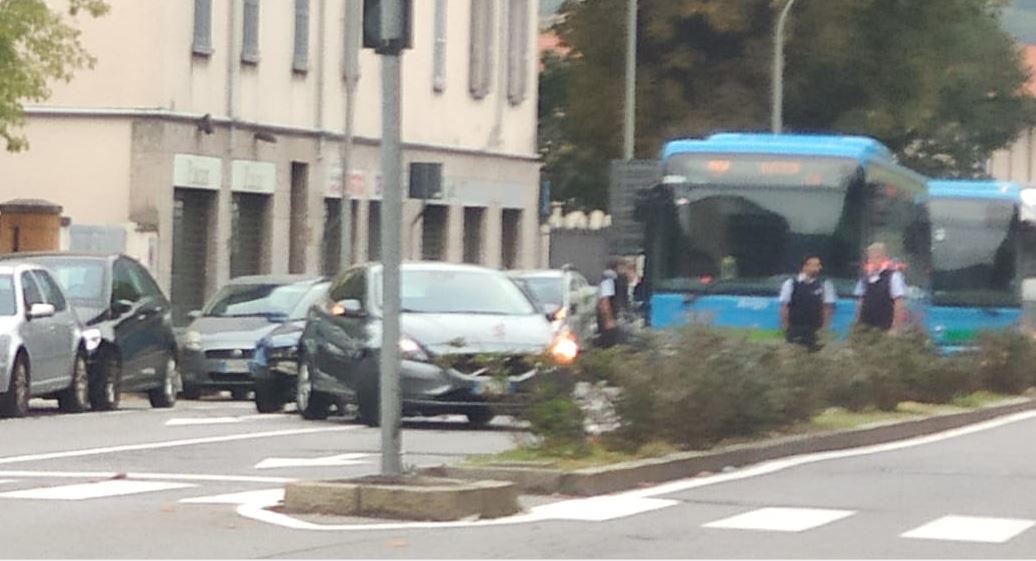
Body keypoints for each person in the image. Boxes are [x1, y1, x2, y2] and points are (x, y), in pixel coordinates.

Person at [779, 255, 836, 350]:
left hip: (815, 330)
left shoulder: (825, 284)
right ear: (805, 267)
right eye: (816, 265)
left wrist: (824, 330)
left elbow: (827, 309)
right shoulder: (790, 284)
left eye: (819, 265)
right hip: (795, 329)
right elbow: (784, 307)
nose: (819, 268)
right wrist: (787, 329)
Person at [854, 242, 907, 332]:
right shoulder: (865, 279)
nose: (873, 260)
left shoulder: (893, 277)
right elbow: (860, 303)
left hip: (886, 329)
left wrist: (895, 328)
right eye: (870, 257)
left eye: (877, 257)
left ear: (885, 258)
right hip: (866, 329)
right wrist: (857, 325)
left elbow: (899, 304)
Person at [596, 258, 628, 348]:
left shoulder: (614, 279)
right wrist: (608, 320)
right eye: (624, 267)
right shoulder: (609, 279)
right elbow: (604, 300)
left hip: (611, 317)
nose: (625, 270)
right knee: (609, 344)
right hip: (609, 320)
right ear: (617, 267)